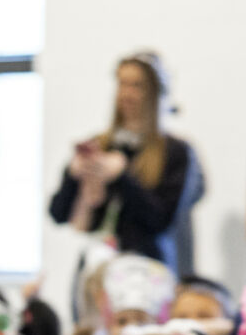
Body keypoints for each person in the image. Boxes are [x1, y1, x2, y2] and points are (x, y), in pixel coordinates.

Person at [48, 51, 199, 270]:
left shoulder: (175, 152)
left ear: (154, 92)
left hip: (147, 267)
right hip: (98, 267)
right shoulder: (100, 145)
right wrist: (73, 175)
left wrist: (122, 177)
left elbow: (161, 221)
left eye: (137, 85)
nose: (127, 94)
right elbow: (58, 214)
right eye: (122, 84)